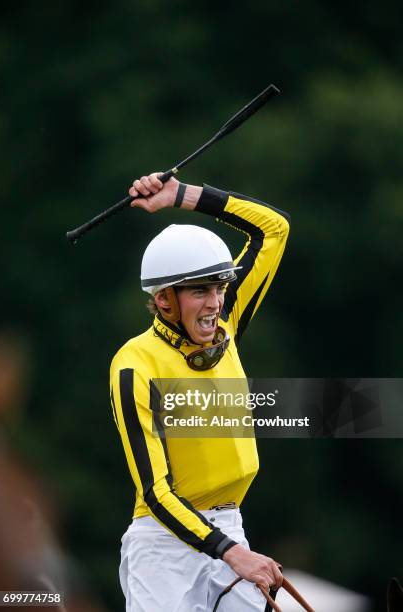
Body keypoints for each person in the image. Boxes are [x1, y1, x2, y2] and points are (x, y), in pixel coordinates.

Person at [110, 173, 290, 611]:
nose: (214, 303)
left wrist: (184, 196)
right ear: (164, 300)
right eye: (199, 291)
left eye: (220, 288)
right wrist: (232, 552)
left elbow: (273, 228)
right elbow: (155, 493)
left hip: (230, 528)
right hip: (163, 547)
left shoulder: (226, 323)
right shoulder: (135, 365)